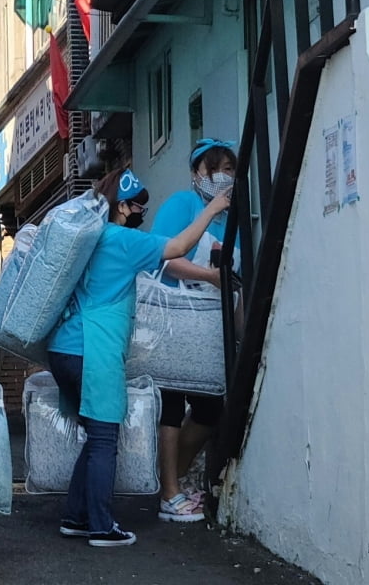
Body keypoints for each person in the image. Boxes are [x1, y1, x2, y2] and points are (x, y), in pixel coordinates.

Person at [47, 167, 231, 548]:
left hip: (64, 347)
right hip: (93, 348)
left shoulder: (92, 236)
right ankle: (100, 525)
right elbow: (177, 249)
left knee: (93, 436)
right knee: (103, 437)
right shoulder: (121, 240)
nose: (139, 213)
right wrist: (211, 210)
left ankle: (76, 516)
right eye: (136, 206)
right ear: (122, 207)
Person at [151, 138, 239, 523]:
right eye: (214, 168)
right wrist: (210, 275)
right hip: (173, 319)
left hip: (207, 327)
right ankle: (169, 493)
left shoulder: (229, 218)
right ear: (196, 174)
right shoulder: (182, 205)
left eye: (229, 169)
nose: (222, 176)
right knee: (171, 403)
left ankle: (171, 480)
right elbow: (165, 259)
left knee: (208, 407)